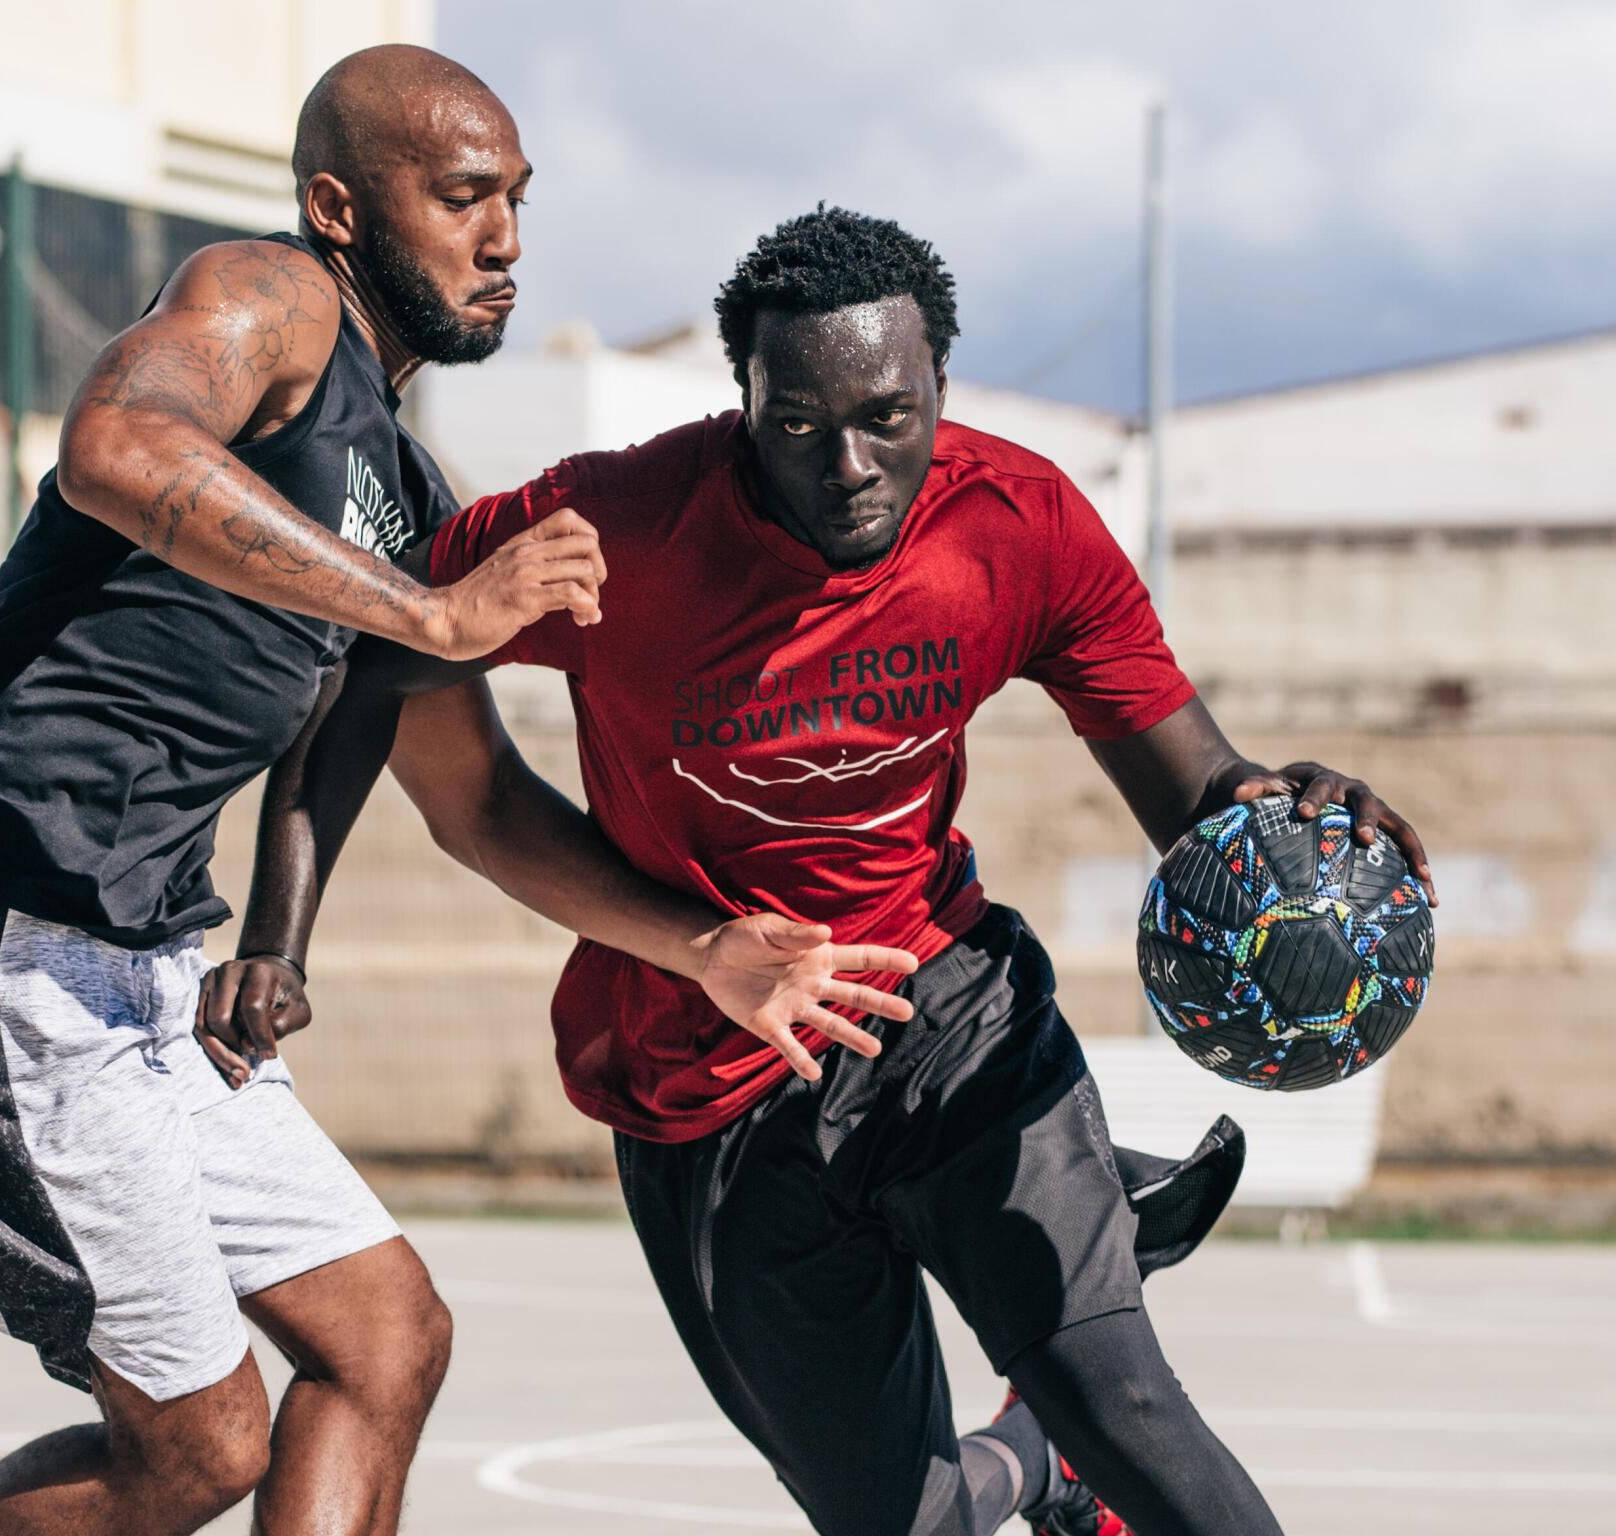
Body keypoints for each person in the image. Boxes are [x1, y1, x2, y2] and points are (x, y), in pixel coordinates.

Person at [202, 206, 1438, 1536]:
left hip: (945, 1010)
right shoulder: (617, 524)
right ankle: (1034, 1463)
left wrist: (1278, 812)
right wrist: (279, 933)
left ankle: (1065, 1411)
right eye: (797, 424)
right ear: (744, 403)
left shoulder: (1020, 524)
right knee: (906, 1522)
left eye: (888, 418)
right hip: (714, 1081)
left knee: (1123, 1400)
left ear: (940, 390)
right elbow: (373, 655)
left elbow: (1191, 784)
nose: (848, 464)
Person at [0, 45, 636, 1536]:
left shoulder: (408, 498)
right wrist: (433, 614)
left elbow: (476, 805)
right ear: (342, 208)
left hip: (138, 970)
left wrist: (718, 948)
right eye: (460, 196)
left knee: (386, 1341)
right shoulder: (274, 298)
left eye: (514, 198)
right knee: (196, 1445)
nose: (503, 238)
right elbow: (118, 446)